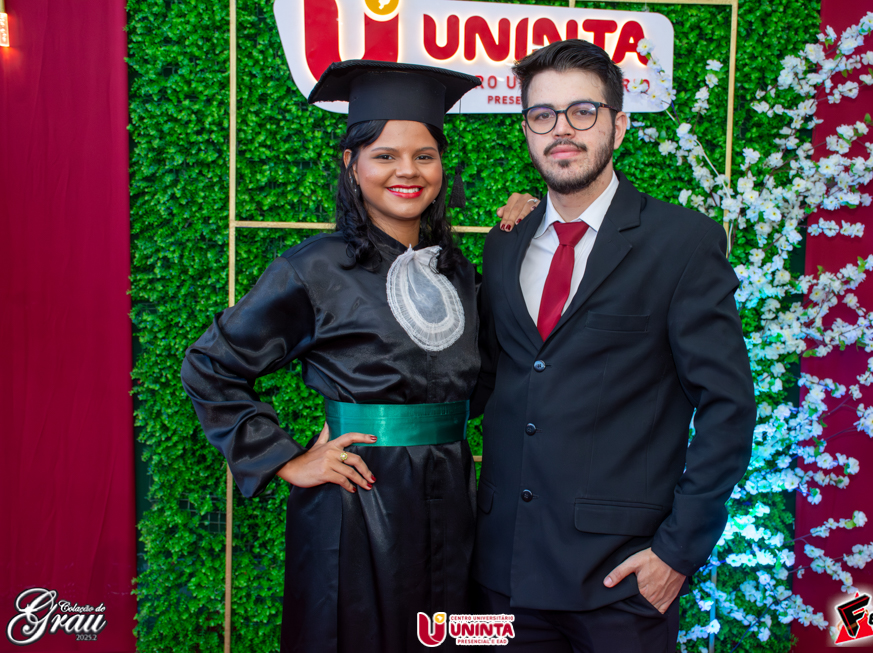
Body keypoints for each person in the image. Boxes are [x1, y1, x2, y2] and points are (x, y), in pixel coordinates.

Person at [180, 60, 484, 653]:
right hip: (357, 503)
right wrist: (286, 458)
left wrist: (524, 225)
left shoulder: (458, 272)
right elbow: (211, 365)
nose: (407, 171)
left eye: (424, 156)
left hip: (452, 498)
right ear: (351, 163)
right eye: (385, 155)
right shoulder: (314, 268)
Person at [470, 40, 756, 652]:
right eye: (542, 114)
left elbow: (729, 406)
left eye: (583, 111)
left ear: (618, 126)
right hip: (502, 575)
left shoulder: (683, 243)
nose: (561, 129)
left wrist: (677, 553)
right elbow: (489, 379)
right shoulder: (505, 242)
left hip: (621, 582)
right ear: (526, 130)